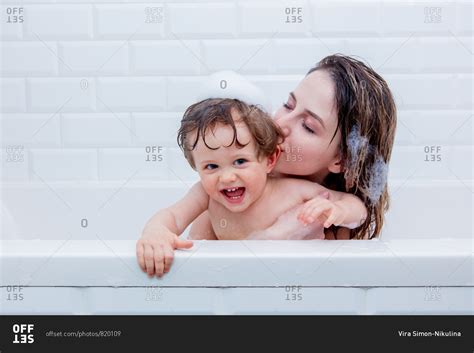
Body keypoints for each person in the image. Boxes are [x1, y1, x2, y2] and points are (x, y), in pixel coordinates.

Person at [136, 98, 367, 277]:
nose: (226, 177)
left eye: (240, 161)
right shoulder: (206, 196)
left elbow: (357, 208)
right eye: (211, 166)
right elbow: (172, 217)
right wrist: (155, 233)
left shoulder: (293, 191)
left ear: (269, 159)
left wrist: (340, 211)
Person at [190, 54, 397, 241]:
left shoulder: (332, 223)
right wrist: (272, 236)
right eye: (288, 105)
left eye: (307, 126)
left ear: (342, 159)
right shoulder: (228, 196)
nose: (280, 124)